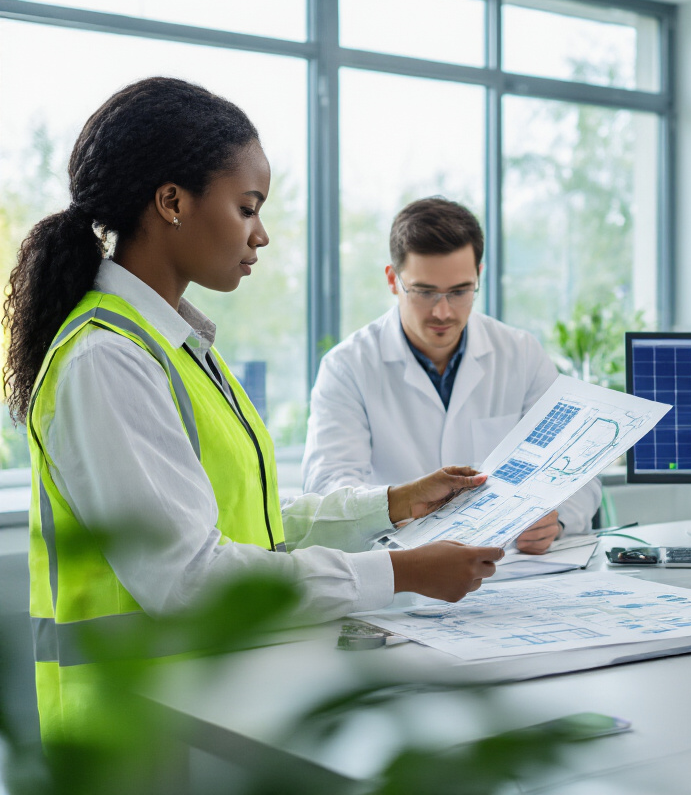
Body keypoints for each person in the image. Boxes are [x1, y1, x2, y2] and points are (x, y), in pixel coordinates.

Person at [4, 78, 504, 742]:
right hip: (135, 734)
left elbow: (249, 525)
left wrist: (392, 504)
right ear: (173, 202)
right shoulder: (107, 360)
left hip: (206, 707)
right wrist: (398, 572)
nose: (261, 235)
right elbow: (188, 578)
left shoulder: (172, 346)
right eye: (247, 208)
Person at [301, 197, 600, 554]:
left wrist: (558, 517)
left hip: (508, 568)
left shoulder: (521, 354)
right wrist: (394, 510)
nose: (443, 311)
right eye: (425, 292)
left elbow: (579, 467)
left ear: (479, 277)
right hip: (399, 570)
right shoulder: (348, 366)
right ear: (393, 280)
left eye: (459, 292)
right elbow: (328, 490)